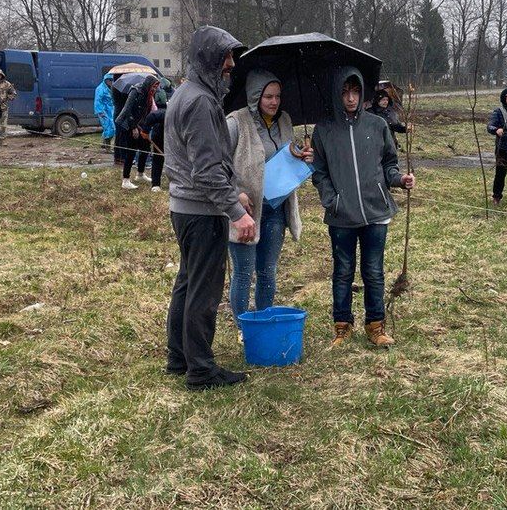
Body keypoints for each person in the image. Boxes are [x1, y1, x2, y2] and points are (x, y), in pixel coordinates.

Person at [164, 26, 255, 391]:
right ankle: (201, 370)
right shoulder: (200, 101)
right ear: (209, 60)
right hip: (201, 212)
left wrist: (233, 192)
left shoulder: (186, 93)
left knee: (187, 282)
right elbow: (205, 169)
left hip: (185, 208)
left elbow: (202, 161)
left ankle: (179, 357)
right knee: (203, 289)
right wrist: (236, 211)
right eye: (226, 58)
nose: (231, 65)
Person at [311, 68, 415, 349]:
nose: (350, 98)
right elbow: (318, 172)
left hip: (375, 212)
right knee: (343, 271)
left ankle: (376, 325)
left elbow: (389, 164)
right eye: (344, 92)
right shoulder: (324, 130)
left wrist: (399, 179)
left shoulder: (377, 126)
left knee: (373, 271)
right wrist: (332, 200)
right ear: (337, 94)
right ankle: (342, 326)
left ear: (362, 93)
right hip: (341, 216)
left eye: (355, 91)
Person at [226, 70, 311, 330]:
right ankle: (244, 328)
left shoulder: (284, 120)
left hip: (275, 207)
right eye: (268, 97)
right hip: (246, 211)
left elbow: (284, 153)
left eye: (277, 96)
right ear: (255, 96)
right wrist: (235, 193)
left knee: (267, 271)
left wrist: (300, 155)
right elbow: (217, 163)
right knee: (243, 273)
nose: (274, 102)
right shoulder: (236, 122)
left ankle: (263, 323)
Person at [116, 75, 160, 190]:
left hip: (141, 124)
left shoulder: (149, 94)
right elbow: (127, 110)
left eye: (156, 87)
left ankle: (140, 174)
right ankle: (125, 180)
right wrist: (133, 127)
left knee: (145, 148)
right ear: (149, 85)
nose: (155, 89)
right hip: (129, 125)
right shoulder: (136, 91)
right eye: (153, 87)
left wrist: (146, 127)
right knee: (131, 151)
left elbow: (147, 111)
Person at [140, 106, 166, 192]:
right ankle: (156, 184)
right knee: (158, 158)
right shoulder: (166, 114)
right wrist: (145, 131)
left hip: (175, 137)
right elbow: (152, 116)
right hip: (159, 134)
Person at [94, 73, 116, 151]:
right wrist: (100, 111)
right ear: (105, 80)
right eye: (110, 80)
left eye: (112, 80)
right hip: (103, 110)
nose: (111, 82)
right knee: (108, 128)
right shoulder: (100, 89)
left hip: (110, 110)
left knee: (111, 127)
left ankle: (103, 144)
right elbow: (97, 101)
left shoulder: (110, 88)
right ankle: (108, 148)